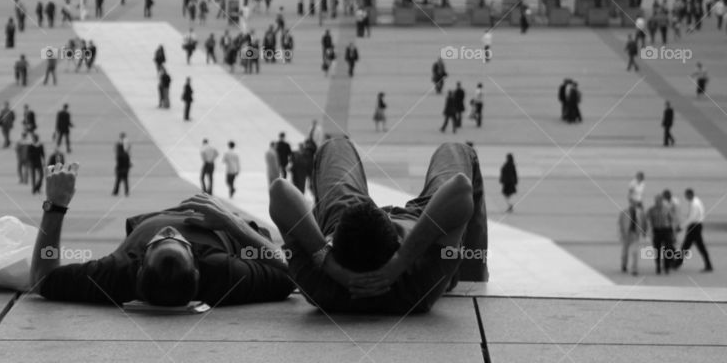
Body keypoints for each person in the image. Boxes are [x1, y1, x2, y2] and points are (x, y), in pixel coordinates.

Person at [269, 137, 488, 314]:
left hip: (352, 223)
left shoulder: (321, 281)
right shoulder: (420, 280)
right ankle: (473, 276)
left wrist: (327, 262)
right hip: (419, 222)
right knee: (455, 149)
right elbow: (460, 188)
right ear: (397, 243)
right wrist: (402, 260)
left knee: (335, 145)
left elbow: (279, 191)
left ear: (333, 245)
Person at [30, 166, 294, 307]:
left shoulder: (119, 274)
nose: (172, 230)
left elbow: (42, 278)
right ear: (198, 264)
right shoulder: (223, 272)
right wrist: (232, 223)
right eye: (182, 241)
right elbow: (290, 272)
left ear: (140, 261)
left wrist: (55, 205)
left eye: (159, 240)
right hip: (230, 232)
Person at [678, 189, 713, 272]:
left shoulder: (694, 204)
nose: (685, 197)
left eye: (686, 195)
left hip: (694, 226)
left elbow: (691, 218)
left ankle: (708, 265)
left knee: (695, 246)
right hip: (698, 225)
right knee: (687, 245)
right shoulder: (697, 201)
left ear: (690, 195)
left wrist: (681, 226)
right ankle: (677, 262)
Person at [646, 194, 676, 274]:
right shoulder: (651, 210)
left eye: (658, 201)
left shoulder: (667, 209)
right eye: (656, 201)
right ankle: (658, 266)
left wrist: (673, 233)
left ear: (661, 201)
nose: (657, 203)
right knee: (657, 250)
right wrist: (648, 231)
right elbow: (647, 220)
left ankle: (666, 267)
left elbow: (671, 220)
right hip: (657, 231)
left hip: (666, 231)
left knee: (667, 249)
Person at [618, 200, 647, 275]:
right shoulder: (624, 212)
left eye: (635, 204)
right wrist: (622, 233)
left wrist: (644, 231)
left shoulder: (640, 213)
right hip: (626, 234)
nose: (634, 205)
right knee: (625, 252)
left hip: (635, 234)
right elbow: (620, 223)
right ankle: (624, 265)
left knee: (634, 252)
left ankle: (634, 269)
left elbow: (644, 222)